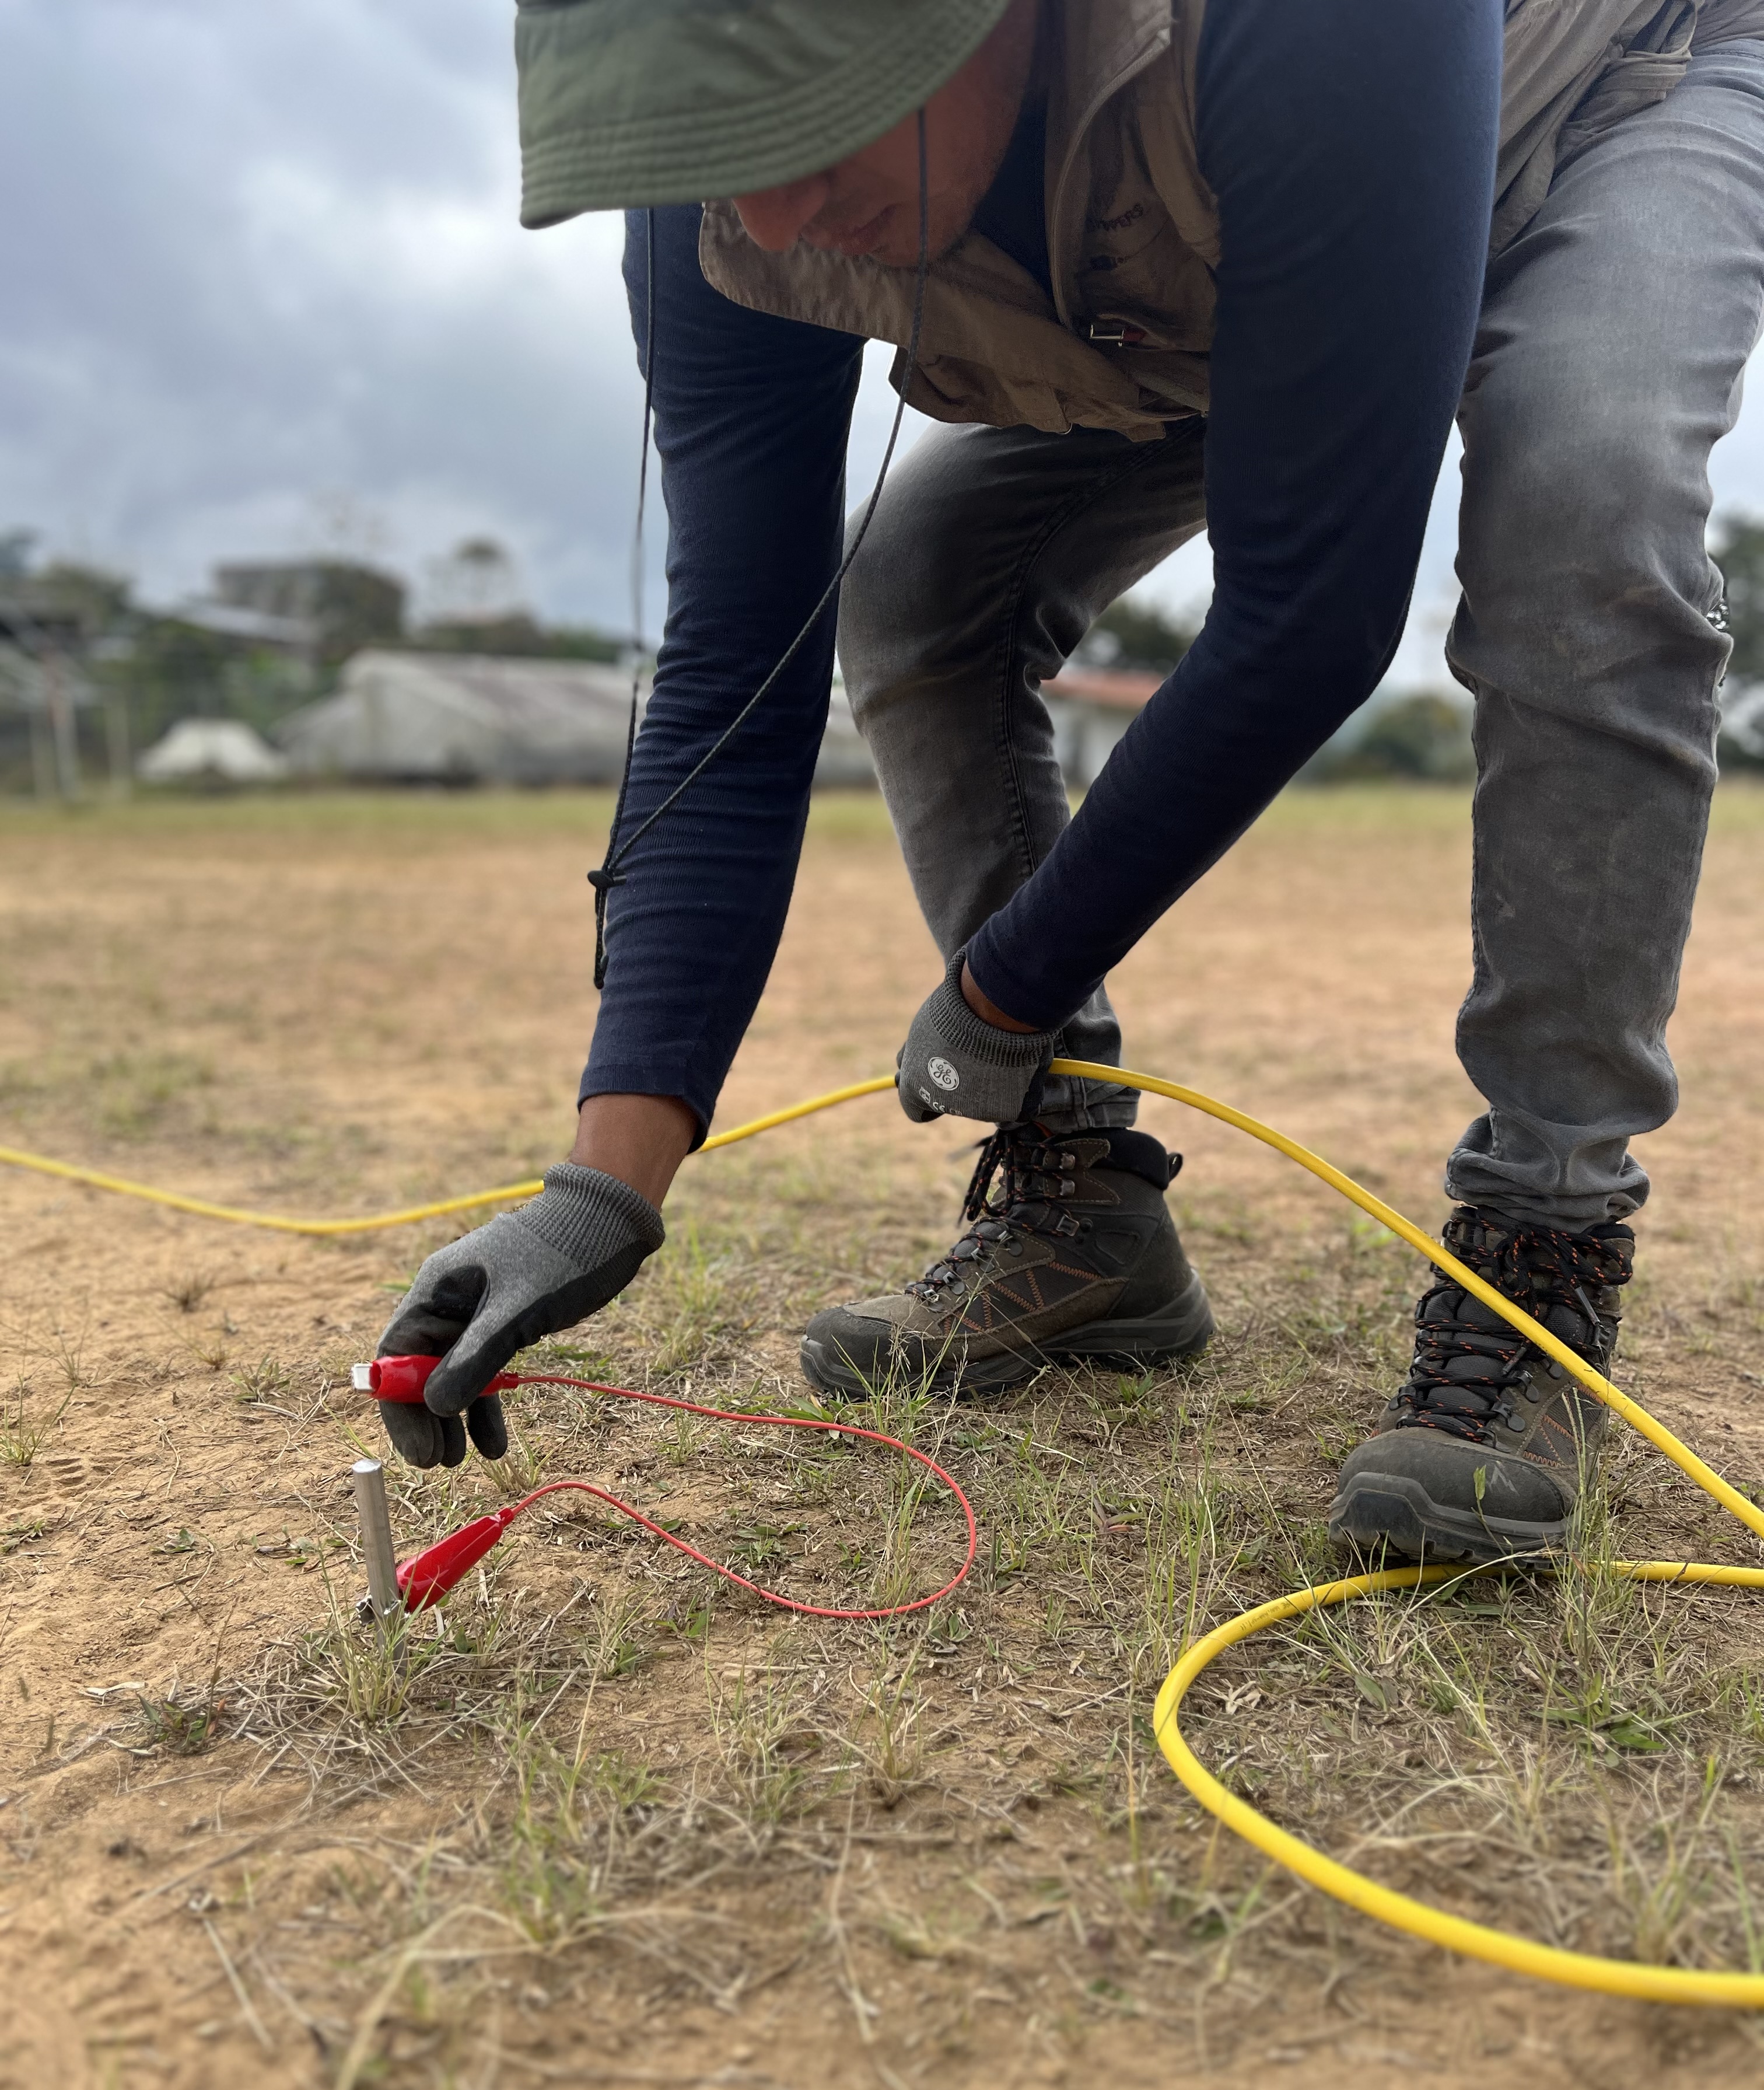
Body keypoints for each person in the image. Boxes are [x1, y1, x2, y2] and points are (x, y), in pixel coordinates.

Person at [377, 0, 1764, 1570]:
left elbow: (1310, 616)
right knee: (918, 582)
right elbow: (734, 665)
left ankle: (1541, 1250)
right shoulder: (729, 203)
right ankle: (1081, 1202)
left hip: (1608, 89)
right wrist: (601, 1188)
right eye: (712, 155)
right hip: (1224, 234)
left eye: (802, 121)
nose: (769, 214)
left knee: (1583, 496)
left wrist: (1005, 986)